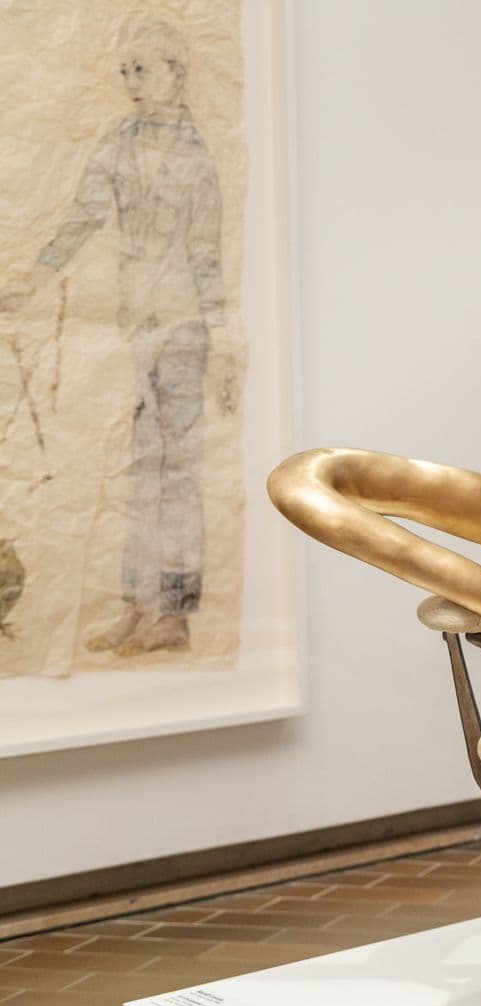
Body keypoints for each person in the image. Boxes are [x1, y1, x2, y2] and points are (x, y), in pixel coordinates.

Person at [0, 17, 234, 656]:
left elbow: (209, 256)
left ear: (177, 73)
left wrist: (223, 345)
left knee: (178, 476)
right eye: (125, 71)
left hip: (185, 332)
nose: (133, 82)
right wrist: (33, 282)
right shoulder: (119, 143)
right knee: (141, 472)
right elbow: (80, 219)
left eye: (144, 69)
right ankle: (138, 606)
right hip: (140, 332)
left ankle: (176, 615)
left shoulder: (196, 156)